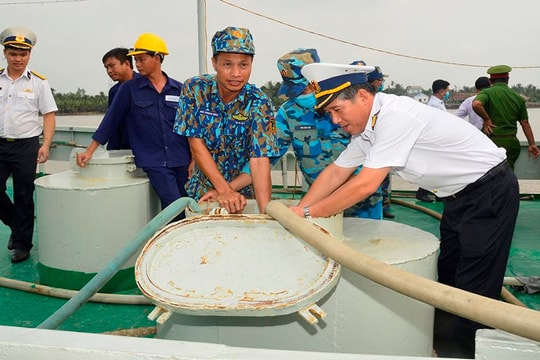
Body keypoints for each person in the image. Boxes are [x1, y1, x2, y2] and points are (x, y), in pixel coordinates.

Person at [292, 62, 519, 358]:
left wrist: (309, 216)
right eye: (330, 114)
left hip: (489, 191)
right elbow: (336, 172)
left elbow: (365, 185)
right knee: (449, 276)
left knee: (474, 287)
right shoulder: (366, 130)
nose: (335, 120)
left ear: (362, 97)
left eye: (337, 110)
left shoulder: (395, 117)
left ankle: (467, 353)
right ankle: (442, 347)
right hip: (457, 197)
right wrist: (298, 210)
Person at [76, 33, 190, 221]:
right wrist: (90, 151)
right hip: (153, 160)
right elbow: (110, 121)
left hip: (181, 159)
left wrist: (194, 160)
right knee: (175, 207)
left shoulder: (180, 89)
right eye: (136, 60)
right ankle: (179, 246)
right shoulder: (128, 89)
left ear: (157, 58)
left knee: (187, 202)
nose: (137, 64)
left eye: (141, 59)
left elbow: (189, 127)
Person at [173, 26, 279, 215]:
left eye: (244, 65)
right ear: (214, 63)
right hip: (204, 194)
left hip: (243, 197)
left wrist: (265, 216)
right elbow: (196, 144)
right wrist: (223, 190)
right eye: (227, 64)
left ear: (252, 63)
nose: (236, 74)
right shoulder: (195, 89)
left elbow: (260, 160)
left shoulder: (260, 102)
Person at [0, 26, 57, 263]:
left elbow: (49, 115)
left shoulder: (39, 83)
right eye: (13, 53)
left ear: (29, 55)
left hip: (26, 145)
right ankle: (15, 225)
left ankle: (22, 244)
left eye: (23, 54)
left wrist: (46, 144)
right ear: (5, 53)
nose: (18, 59)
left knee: (24, 193)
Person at [472, 65, 540, 169]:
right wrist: (532, 144)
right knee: (508, 172)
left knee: (490, 173)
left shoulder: (487, 93)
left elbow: (476, 104)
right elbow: (525, 123)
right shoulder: (517, 98)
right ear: (507, 79)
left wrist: (487, 119)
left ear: (490, 81)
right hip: (512, 143)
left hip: (492, 142)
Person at [352, 61, 394, 218]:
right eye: (380, 80)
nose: (382, 83)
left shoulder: (385, 106)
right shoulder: (352, 111)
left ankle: (384, 205)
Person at [415, 79, 451, 202]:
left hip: (440, 140)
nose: (448, 93)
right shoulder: (434, 105)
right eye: (447, 91)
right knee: (434, 168)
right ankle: (423, 192)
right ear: (441, 91)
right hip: (435, 141)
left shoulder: (439, 103)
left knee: (439, 168)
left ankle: (438, 193)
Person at [101, 47, 140, 150]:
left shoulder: (145, 85)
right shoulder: (114, 91)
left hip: (144, 149)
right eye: (106, 68)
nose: (109, 71)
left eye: (112, 66)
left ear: (127, 64)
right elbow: (112, 122)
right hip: (122, 149)